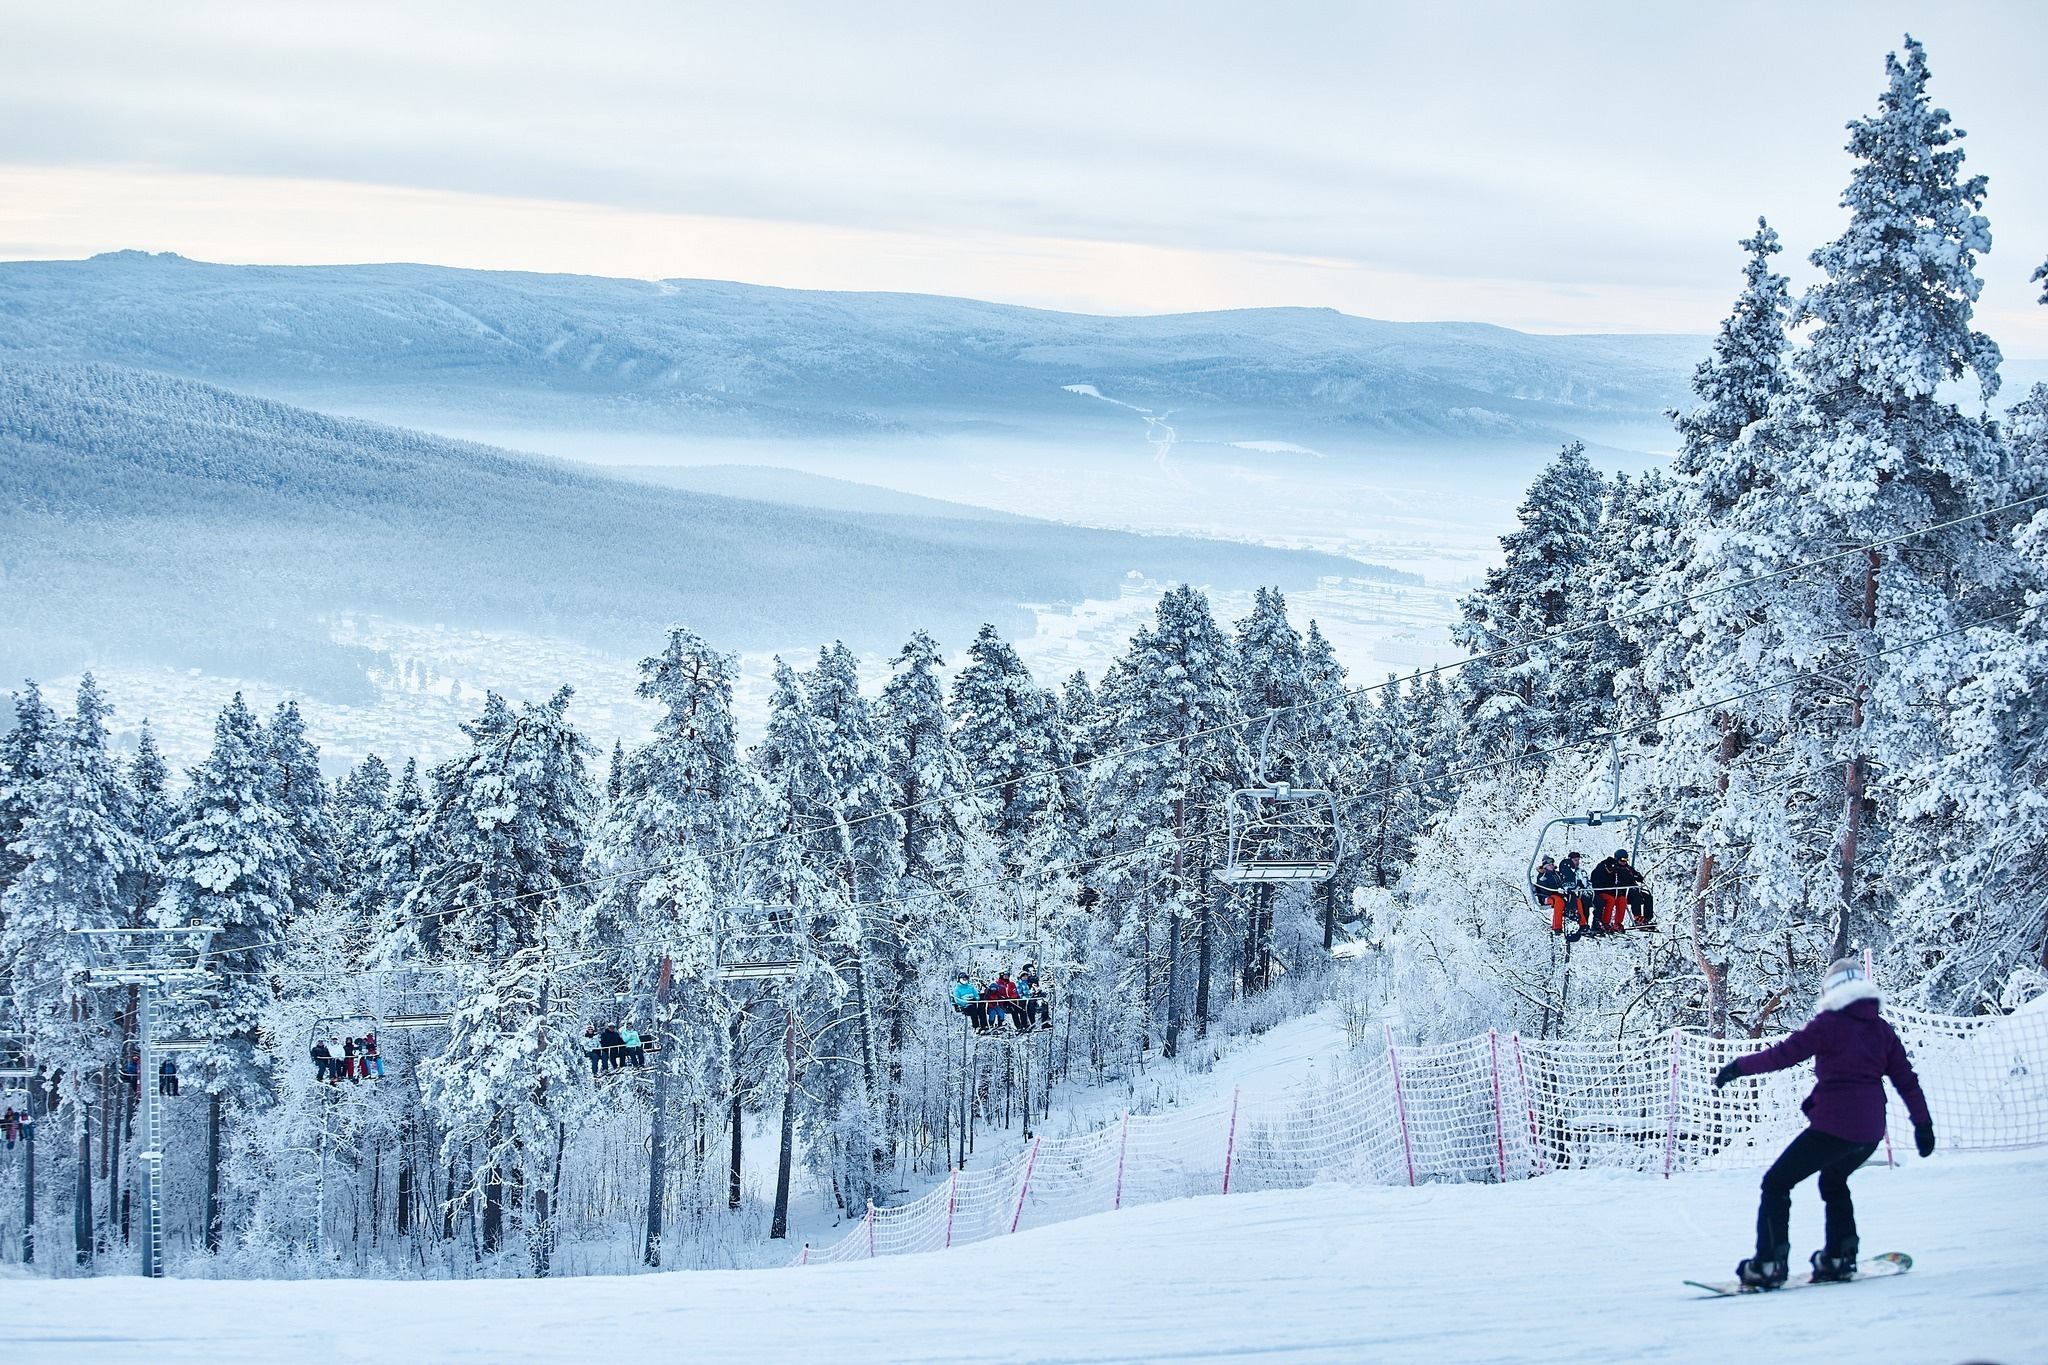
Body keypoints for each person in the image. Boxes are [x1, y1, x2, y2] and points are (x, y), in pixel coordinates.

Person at [1713, 957, 1933, 1289]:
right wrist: (1923, 1125)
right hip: (1870, 1131)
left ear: (1831, 992)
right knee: (1833, 1181)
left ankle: (1770, 1263)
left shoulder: (1828, 1024)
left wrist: (1738, 1067)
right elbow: (1907, 1081)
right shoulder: (1882, 1029)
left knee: (1776, 1183)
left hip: (1834, 1127)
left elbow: (1783, 1055)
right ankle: (1839, 1257)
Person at [1590, 849, 1652, 930]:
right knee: (1633, 894)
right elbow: (1615, 880)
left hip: (1629, 890)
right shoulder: (1615, 868)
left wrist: (1637, 876)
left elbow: (1638, 876)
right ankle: (1637, 917)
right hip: (1623, 890)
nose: (1624, 862)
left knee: (1647, 896)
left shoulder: (1628, 868)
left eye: (1626, 859)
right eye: (1622, 860)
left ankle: (1647, 918)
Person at [1534, 857, 1573, 934]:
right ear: (1545, 867)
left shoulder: (1557, 874)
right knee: (1559, 902)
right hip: (1547, 896)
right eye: (1549, 865)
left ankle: (1582, 924)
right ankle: (1557, 926)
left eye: (1552, 864)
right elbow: (1544, 889)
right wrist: (1557, 889)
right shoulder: (1542, 877)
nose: (1551, 866)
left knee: (1574, 899)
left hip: (1559, 894)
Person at [1017, 963, 1047, 1030]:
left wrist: (1040, 993)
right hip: (1025, 1000)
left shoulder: (1033, 980)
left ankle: (1045, 1022)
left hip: (1033, 998)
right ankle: (1031, 1023)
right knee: (1030, 1007)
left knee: (1044, 1005)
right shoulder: (1021, 982)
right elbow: (1021, 992)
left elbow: (1036, 988)